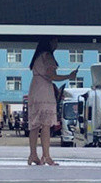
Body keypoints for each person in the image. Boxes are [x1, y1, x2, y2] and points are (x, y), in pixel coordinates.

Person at [27, 37, 78, 165]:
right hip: (44, 91)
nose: (57, 44)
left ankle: (33, 155)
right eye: (55, 42)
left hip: (34, 89)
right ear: (49, 43)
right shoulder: (48, 56)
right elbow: (52, 76)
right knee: (46, 124)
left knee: (34, 125)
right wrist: (69, 76)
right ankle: (46, 156)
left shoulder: (37, 56)